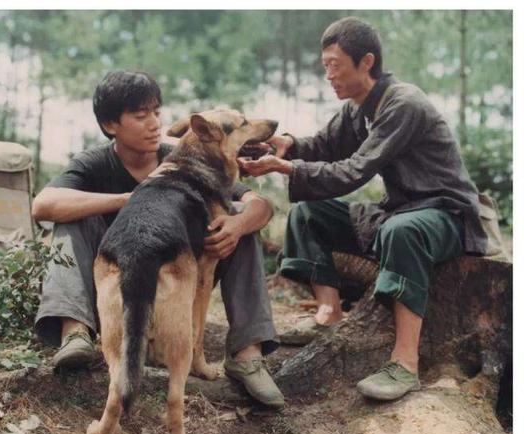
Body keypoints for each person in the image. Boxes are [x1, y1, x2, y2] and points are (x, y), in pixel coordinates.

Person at [239, 17, 488, 401]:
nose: (329, 75)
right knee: (309, 212)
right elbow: (324, 145)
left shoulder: (403, 104)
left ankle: (404, 365)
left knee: (402, 231)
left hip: (447, 215)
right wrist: (284, 144)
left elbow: (354, 171)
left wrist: (285, 166)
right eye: (325, 66)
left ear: (366, 62)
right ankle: (329, 313)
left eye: (335, 65)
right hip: (398, 210)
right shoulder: (359, 108)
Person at [32, 70, 285, 407]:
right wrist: (132, 197)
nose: (153, 123)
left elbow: (261, 206)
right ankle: (74, 333)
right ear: (111, 125)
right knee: (70, 219)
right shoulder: (94, 163)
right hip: (116, 283)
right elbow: (43, 205)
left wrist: (238, 226)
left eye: (156, 112)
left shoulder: (186, 155)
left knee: (239, 222)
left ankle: (247, 353)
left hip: (176, 278)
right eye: (140, 116)